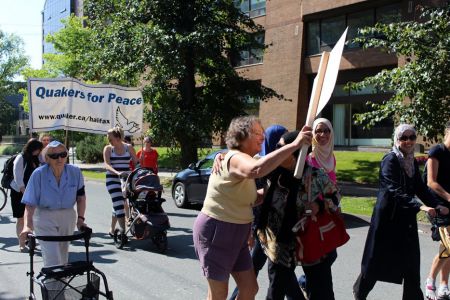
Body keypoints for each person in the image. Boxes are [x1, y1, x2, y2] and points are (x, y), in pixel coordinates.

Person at [192, 116, 312, 300]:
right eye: (257, 132)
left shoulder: (244, 158)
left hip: (237, 233)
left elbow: (253, 197)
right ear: (242, 136)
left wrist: (278, 191)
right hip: (217, 231)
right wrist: (295, 144)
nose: (262, 136)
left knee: (249, 289)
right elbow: (256, 170)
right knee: (218, 294)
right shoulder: (234, 157)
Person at [353, 124, 449, 300]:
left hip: (406, 221)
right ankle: (360, 292)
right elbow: (393, 190)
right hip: (387, 221)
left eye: (412, 137)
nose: (408, 141)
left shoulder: (411, 161)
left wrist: (437, 204)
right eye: (404, 137)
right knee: (375, 263)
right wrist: (420, 206)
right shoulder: (390, 160)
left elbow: (421, 188)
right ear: (397, 139)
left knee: (411, 266)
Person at [258, 130, 342, 300]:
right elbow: (246, 164)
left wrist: (319, 205)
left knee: (322, 291)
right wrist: (221, 157)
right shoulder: (273, 172)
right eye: (277, 146)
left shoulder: (314, 174)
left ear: (296, 152)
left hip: (309, 240)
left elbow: (335, 196)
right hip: (279, 242)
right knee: (275, 291)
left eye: (282, 147)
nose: (277, 150)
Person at [229, 124, 287, 300]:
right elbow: (250, 200)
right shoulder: (257, 163)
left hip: (278, 229)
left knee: (278, 275)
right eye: (278, 141)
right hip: (260, 227)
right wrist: (251, 230)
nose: (280, 147)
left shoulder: (284, 164)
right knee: (253, 272)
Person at [19, 141, 87, 267]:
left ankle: (60, 285)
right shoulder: (38, 174)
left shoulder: (75, 172)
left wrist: (81, 219)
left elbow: (81, 198)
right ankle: (52, 286)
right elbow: (30, 203)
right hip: (45, 216)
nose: (59, 158)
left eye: (63, 154)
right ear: (47, 159)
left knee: (63, 255)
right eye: (54, 156)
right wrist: (27, 226)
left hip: (67, 216)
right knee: (53, 258)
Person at [425, 121, 450, 300]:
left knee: (447, 248)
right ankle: (430, 281)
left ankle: (443, 285)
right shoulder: (437, 151)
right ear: (447, 131)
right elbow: (431, 182)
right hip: (439, 207)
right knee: (449, 245)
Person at [10, 138, 43, 252]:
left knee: (30, 218)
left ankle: (29, 240)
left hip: (31, 192)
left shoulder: (36, 159)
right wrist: (25, 193)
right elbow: (18, 178)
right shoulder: (21, 157)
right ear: (34, 148)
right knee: (20, 219)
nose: (40, 151)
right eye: (39, 149)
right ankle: (21, 243)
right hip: (19, 193)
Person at [103, 127, 138, 236]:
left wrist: (139, 172)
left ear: (118, 137)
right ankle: (123, 232)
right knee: (119, 203)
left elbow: (136, 163)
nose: (108, 140)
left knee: (118, 204)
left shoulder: (129, 148)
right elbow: (107, 165)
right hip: (112, 179)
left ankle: (112, 230)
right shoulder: (108, 149)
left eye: (110, 138)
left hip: (125, 179)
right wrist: (117, 173)